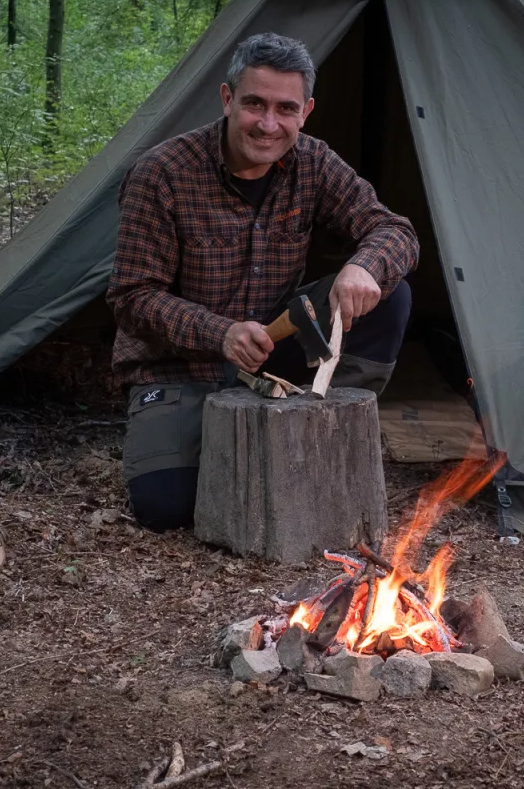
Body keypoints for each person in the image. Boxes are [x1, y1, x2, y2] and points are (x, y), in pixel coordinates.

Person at [106, 32, 418, 533]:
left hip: (277, 351)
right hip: (181, 366)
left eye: (285, 108)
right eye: (254, 104)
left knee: (389, 291)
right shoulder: (162, 173)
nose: (268, 124)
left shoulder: (314, 162)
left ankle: (321, 425)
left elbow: (395, 230)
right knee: (166, 509)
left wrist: (365, 265)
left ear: (306, 111)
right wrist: (220, 333)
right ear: (228, 98)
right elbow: (132, 298)